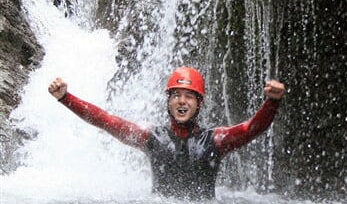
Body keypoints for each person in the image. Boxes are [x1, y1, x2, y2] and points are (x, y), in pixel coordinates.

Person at [48, 66, 285, 200]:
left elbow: (251, 129)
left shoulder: (215, 140)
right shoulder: (151, 137)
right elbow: (106, 121)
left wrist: (271, 103)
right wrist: (66, 98)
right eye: (176, 95)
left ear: (199, 103)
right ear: (168, 100)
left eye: (189, 96)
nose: (182, 101)